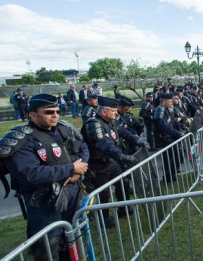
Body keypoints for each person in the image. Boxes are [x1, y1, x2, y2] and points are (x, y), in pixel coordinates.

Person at [0, 94, 89, 259]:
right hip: (45, 200)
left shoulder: (64, 128)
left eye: (57, 111)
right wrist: (71, 168)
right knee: (49, 243)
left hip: (73, 192)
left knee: (73, 234)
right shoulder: (22, 139)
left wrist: (77, 170)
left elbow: (83, 148)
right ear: (32, 115)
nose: (55, 115)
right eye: (49, 112)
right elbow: (30, 173)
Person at [82, 96, 144, 227]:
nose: (116, 113)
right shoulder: (93, 124)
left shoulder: (112, 121)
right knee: (103, 192)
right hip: (98, 165)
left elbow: (124, 132)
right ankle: (104, 218)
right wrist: (122, 156)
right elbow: (104, 144)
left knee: (124, 183)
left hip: (112, 162)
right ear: (104, 112)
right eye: (113, 111)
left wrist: (137, 140)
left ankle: (124, 207)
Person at [154, 93, 184, 182]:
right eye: (169, 101)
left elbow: (173, 121)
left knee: (176, 156)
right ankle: (168, 177)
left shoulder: (166, 110)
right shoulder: (159, 110)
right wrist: (178, 133)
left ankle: (173, 173)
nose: (171, 103)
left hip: (171, 137)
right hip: (165, 138)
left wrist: (182, 127)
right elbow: (165, 126)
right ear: (163, 102)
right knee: (169, 159)